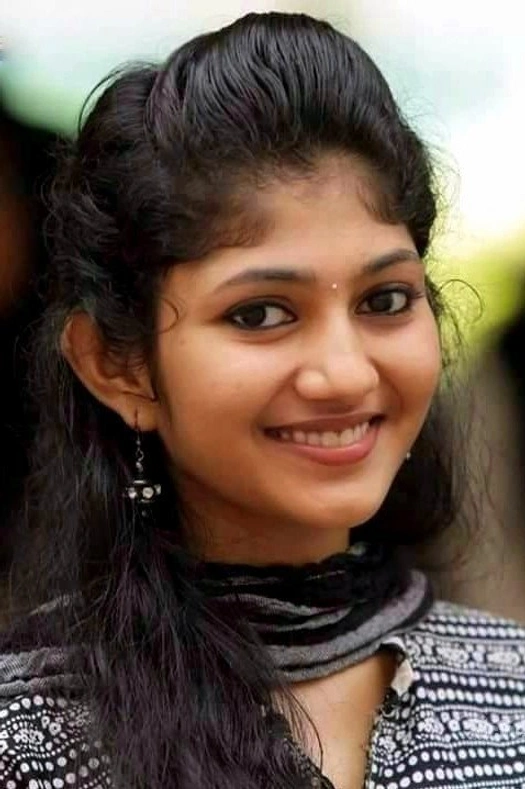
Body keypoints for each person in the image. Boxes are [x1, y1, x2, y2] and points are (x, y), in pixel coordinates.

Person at [2, 12, 525, 789]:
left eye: (384, 300)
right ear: (118, 365)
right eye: (260, 314)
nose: (344, 374)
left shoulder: (510, 696)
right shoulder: (24, 741)